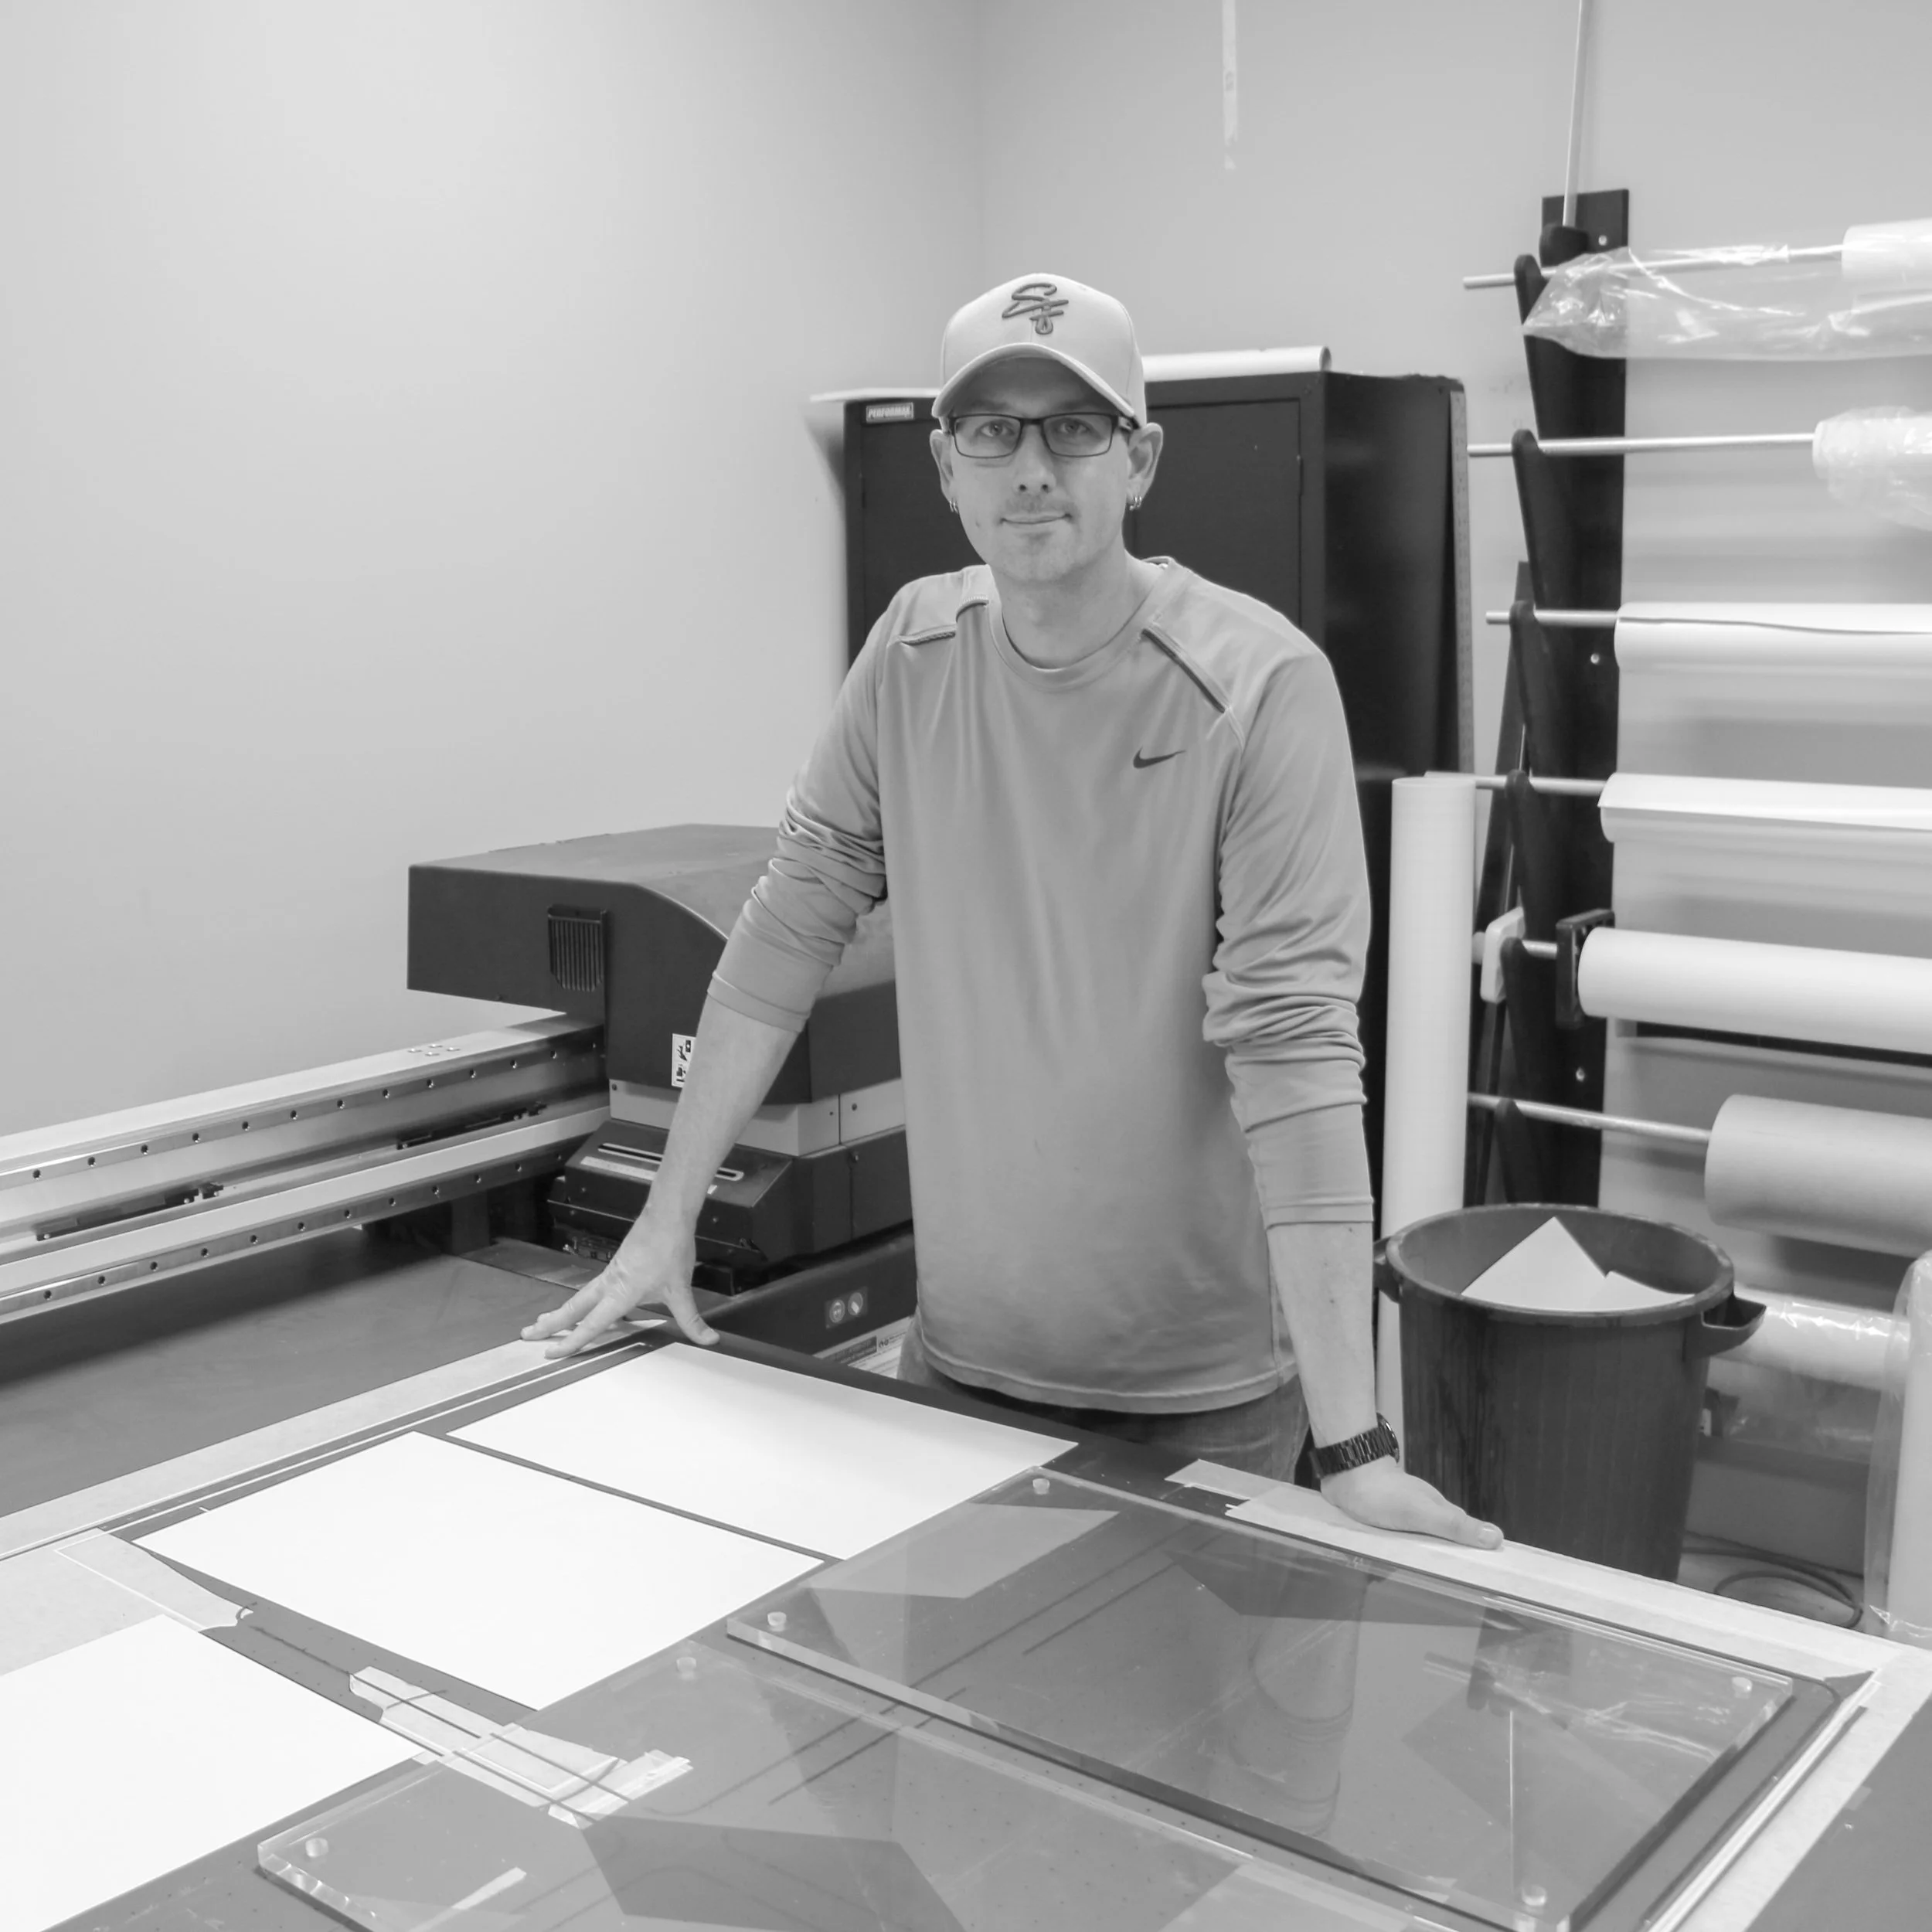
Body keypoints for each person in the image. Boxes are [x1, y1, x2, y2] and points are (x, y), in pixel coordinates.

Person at [527, 272, 1499, 1547]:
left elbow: (1295, 1047)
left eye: (1074, 428)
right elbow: (785, 931)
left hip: (1197, 1395)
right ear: (946, 466)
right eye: (991, 430)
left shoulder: (1261, 685)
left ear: (1140, 460)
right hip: (956, 1369)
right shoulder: (910, 653)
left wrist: (1355, 1446)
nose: (1031, 468)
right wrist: (662, 1229)